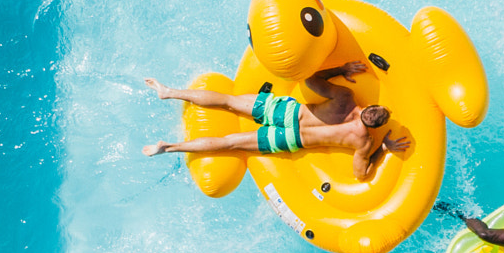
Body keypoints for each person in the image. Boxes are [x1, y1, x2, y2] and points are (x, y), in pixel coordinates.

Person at [142, 61, 408, 183]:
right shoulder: (364, 141)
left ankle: (169, 92)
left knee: (228, 101)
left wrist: (341, 70)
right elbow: (361, 175)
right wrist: (382, 149)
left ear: (368, 107)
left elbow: (310, 81)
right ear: (374, 126)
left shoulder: (345, 97)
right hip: (289, 139)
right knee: (228, 143)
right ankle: (169, 147)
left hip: (286, 113)